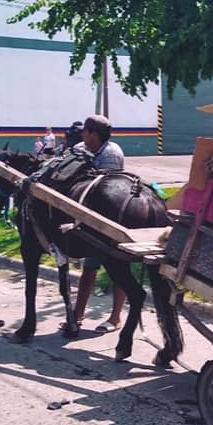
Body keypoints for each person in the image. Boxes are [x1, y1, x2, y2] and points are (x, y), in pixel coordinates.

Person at [71, 115, 127, 333]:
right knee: (89, 267)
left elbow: (106, 191)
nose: (82, 134)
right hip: (89, 217)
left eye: (85, 131)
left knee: (117, 269)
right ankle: (77, 314)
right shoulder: (81, 148)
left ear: (94, 134)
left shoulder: (111, 154)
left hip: (110, 218)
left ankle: (115, 318)